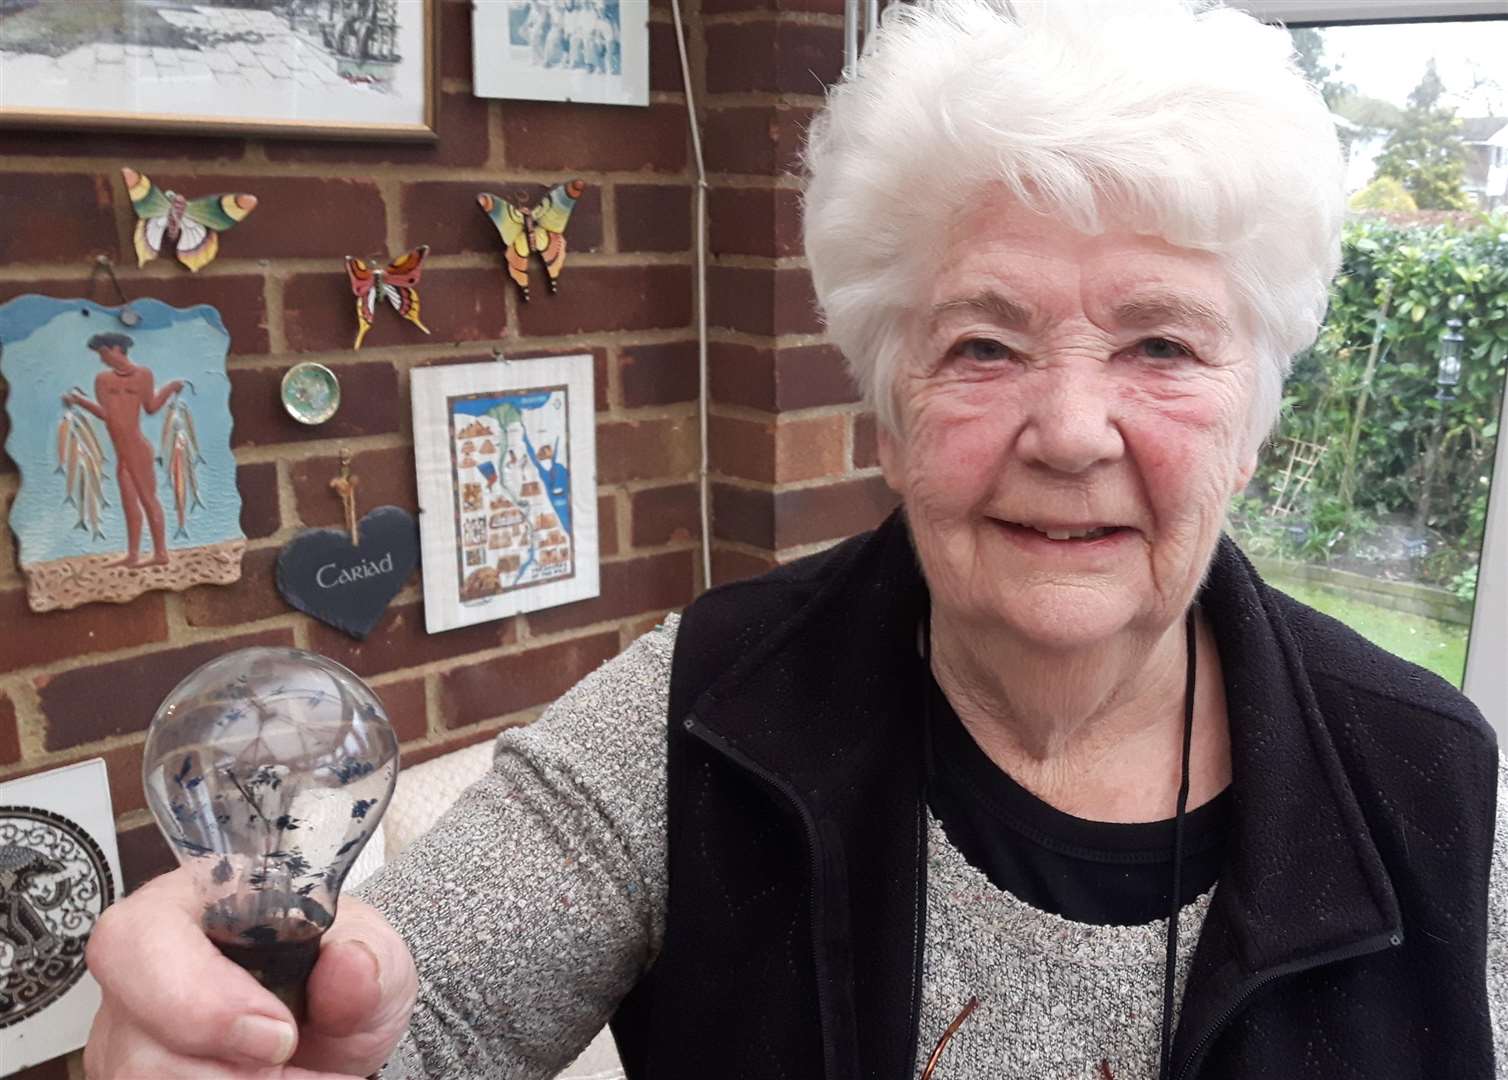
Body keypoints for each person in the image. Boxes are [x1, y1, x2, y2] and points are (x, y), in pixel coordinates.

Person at [84, 1, 1507, 1077]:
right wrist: (263, 1023)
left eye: (1160, 344)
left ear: (1251, 420)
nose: (1071, 430)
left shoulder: (1433, 778)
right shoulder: (707, 704)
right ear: (887, 414)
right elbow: (412, 1000)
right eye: (986, 343)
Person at [63, 333, 183, 569]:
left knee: (148, 500)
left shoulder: (144, 375)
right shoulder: (102, 380)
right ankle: (133, 554)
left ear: (117, 349)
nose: (103, 359)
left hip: (138, 449)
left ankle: (161, 553)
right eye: (100, 355)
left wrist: (169, 388)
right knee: (130, 504)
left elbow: (150, 407)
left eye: (104, 353)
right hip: (122, 455)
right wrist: (79, 401)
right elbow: (107, 415)